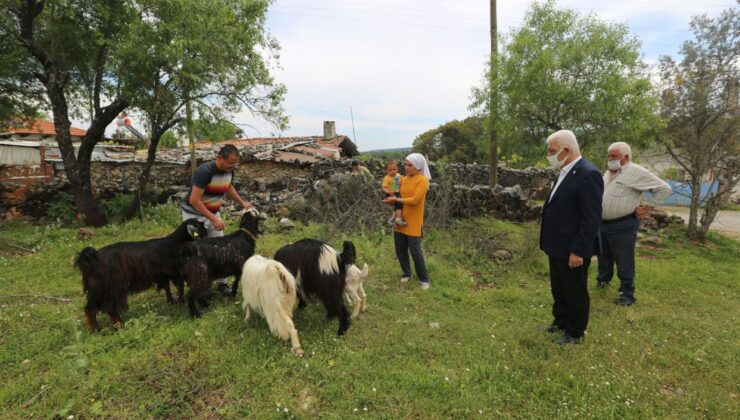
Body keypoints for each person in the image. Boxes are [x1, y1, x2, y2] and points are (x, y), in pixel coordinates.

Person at [540, 130, 603, 344]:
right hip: (557, 243)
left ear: (566, 151)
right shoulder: (566, 172)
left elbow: (591, 218)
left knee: (575, 290)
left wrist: (579, 250)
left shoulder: (588, 174)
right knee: (559, 287)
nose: (549, 154)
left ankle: (575, 331)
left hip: (572, 247)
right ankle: (561, 320)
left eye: (552, 151)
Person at [598, 142, 672, 306]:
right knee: (604, 255)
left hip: (623, 224)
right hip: (603, 224)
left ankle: (627, 294)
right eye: (609, 156)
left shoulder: (636, 171)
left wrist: (645, 207)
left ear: (626, 156)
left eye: (614, 156)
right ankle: (602, 282)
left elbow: (664, 188)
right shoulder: (610, 172)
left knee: (624, 259)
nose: (610, 159)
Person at [181, 144, 254, 295]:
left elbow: (228, 187)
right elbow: (195, 200)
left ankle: (222, 283)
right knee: (197, 249)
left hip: (213, 213)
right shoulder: (204, 172)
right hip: (194, 216)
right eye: (230, 163)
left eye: (235, 163)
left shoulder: (229, 171)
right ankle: (200, 285)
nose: (233, 166)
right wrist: (213, 218)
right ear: (220, 158)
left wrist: (242, 203)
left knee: (220, 249)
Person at [382, 153, 431, 290]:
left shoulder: (422, 181)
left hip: (414, 222)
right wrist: (390, 199)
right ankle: (407, 273)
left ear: (418, 166)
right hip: (400, 221)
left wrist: (396, 200)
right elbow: (396, 194)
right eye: (405, 165)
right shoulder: (402, 179)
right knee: (400, 250)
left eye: (410, 165)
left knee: (416, 252)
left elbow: (415, 200)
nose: (407, 168)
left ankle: (424, 278)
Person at [381, 160, 406, 227]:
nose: (393, 171)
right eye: (390, 170)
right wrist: (388, 192)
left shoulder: (399, 175)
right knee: (399, 204)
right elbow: (383, 187)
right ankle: (398, 218)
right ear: (387, 171)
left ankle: (392, 219)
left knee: (398, 205)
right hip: (391, 193)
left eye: (394, 169)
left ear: (397, 169)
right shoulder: (387, 178)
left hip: (397, 192)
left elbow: (403, 182)